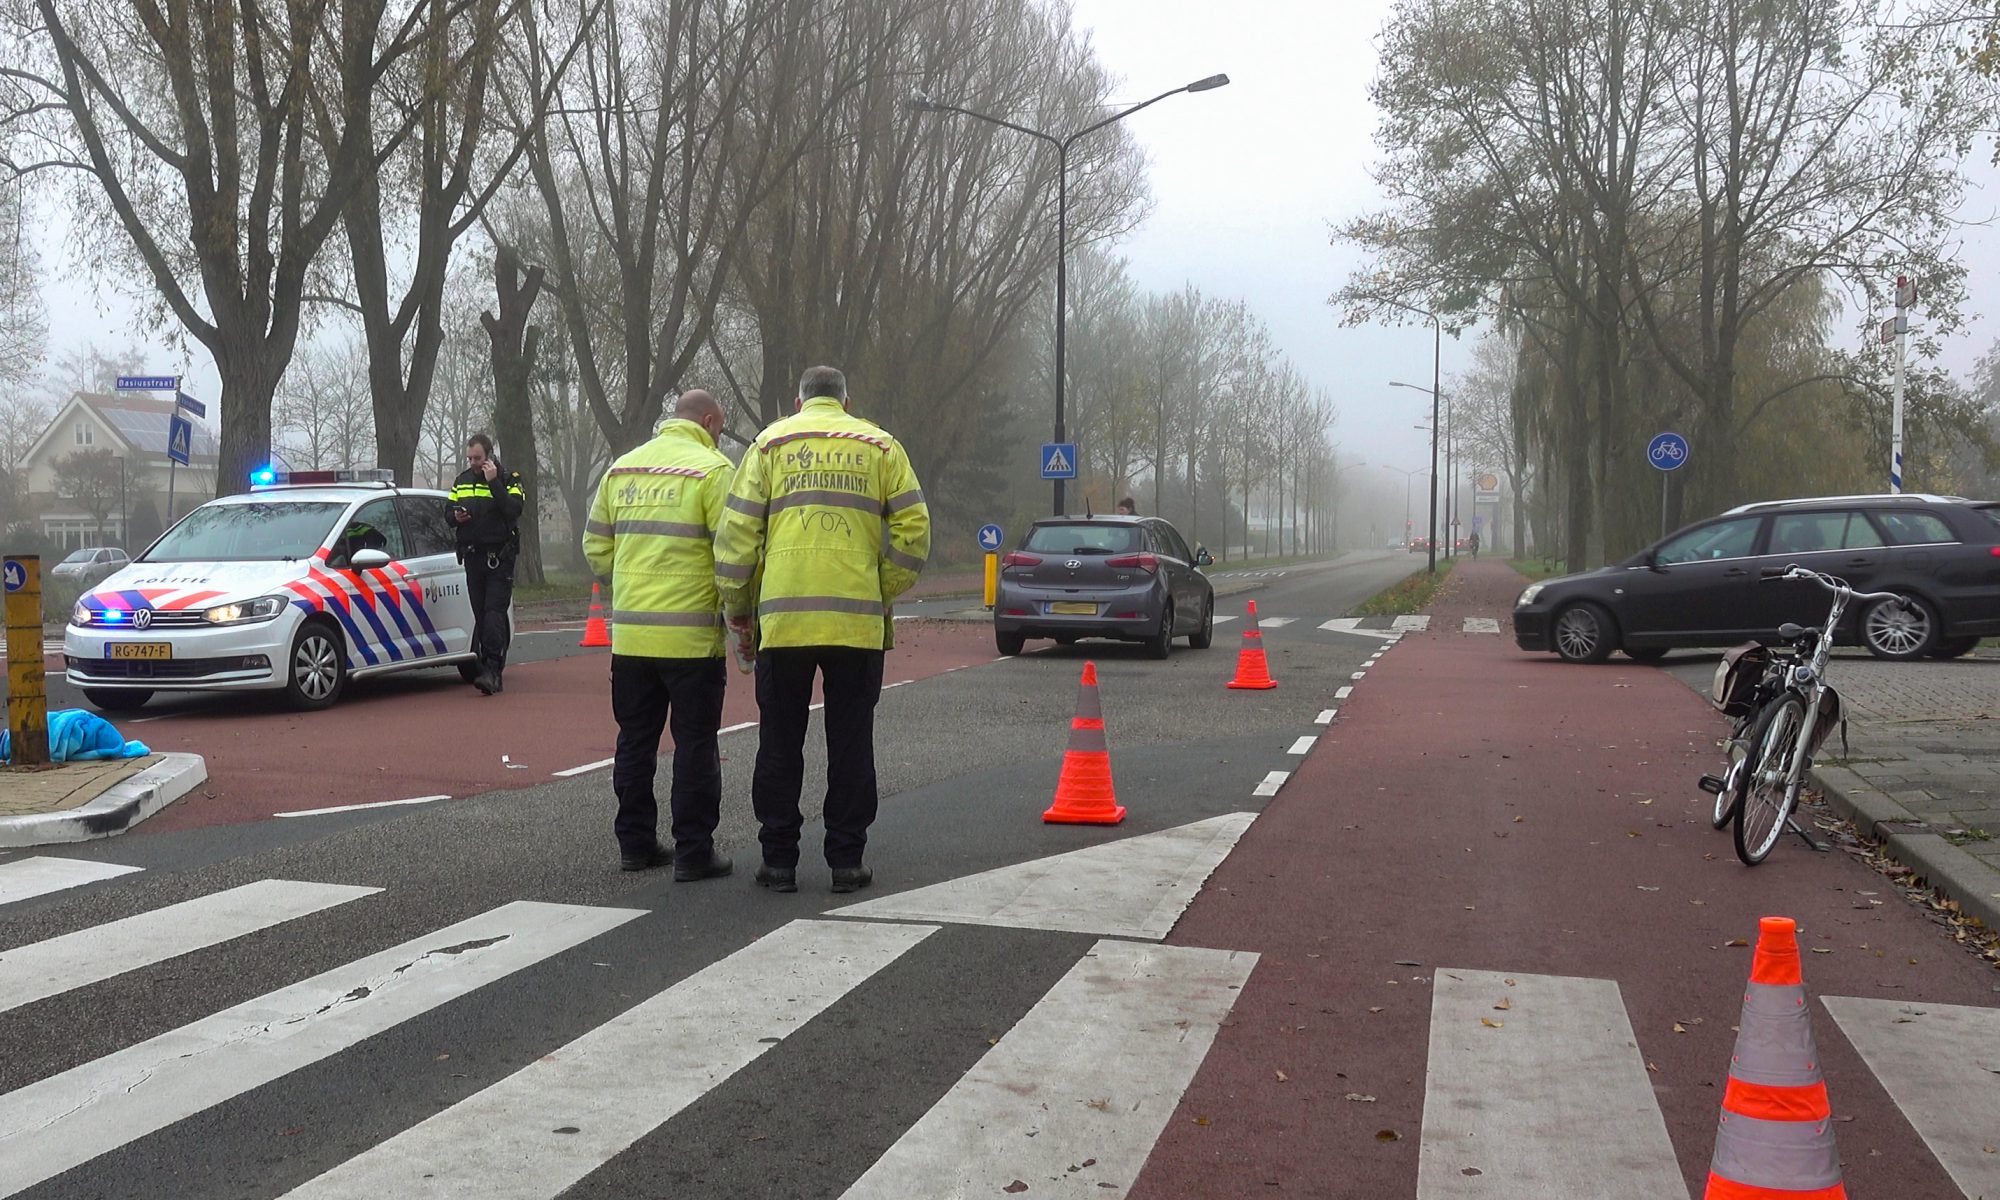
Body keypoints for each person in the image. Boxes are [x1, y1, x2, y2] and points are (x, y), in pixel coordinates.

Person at [713, 365, 930, 895]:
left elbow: (736, 537)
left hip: (784, 622)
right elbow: (914, 531)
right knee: (851, 742)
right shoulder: (880, 448)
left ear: (799, 401)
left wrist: (740, 607)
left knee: (780, 741)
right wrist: (880, 586)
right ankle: (846, 861)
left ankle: (779, 861)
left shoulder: (768, 447)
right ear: (846, 401)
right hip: (855, 624)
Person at [583, 391, 736, 878]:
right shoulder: (712, 471)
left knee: (634, 741)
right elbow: (731, 555)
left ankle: (635, 844)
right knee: (695, 744)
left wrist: (628, 585)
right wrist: (734, 609)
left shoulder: (622, 469)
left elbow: (595, 546)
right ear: (710, 422)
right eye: (719, 429)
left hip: (630, 639)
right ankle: (693, 851)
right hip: (691, 640)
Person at [450, 434, 524, 695]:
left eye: (478, 458)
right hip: (472, 557)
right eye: (470, 458)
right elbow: (448, 512)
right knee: (481, 615)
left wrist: (494, 484)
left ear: (489, 456)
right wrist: (456, 515)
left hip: (499, 559)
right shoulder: (462, 480)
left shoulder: (508, 479)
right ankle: (491, 668)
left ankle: (492, 671)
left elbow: (513, 509)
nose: (473, 463)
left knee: (494, 613)